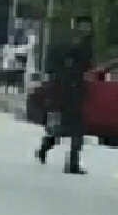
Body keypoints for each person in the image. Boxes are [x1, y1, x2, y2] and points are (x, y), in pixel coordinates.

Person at [35, 17, 94, 174]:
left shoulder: (84, 43)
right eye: (84, 26)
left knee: (68, 126)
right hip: (67, 88)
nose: (86, 29)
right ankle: (71, 163)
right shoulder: (73, 45)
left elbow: (87, 65)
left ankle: (46, 146)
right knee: (76, 128)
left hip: (72, 88)